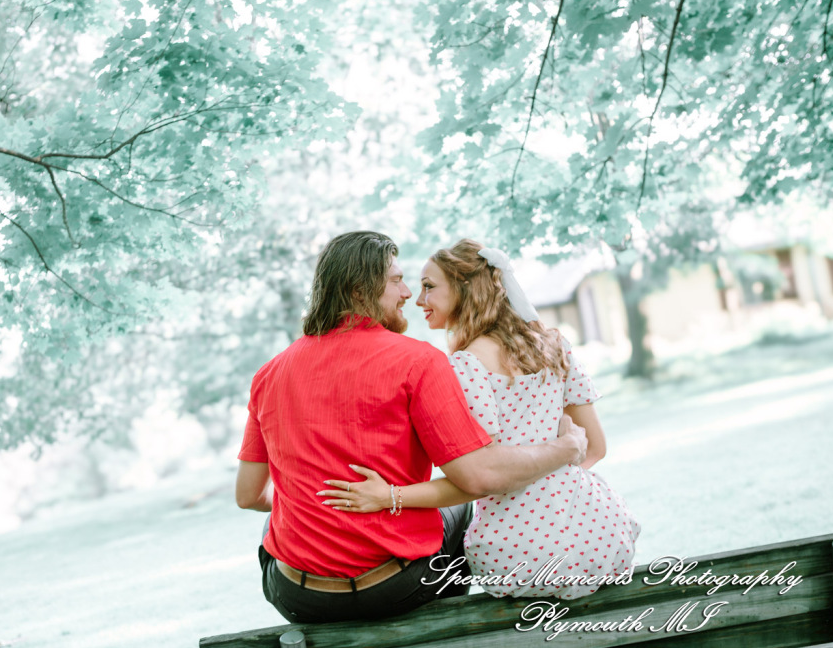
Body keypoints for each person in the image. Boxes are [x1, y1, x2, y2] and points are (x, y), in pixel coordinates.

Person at [235, 231, 588, 623]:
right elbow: (477, 477)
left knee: (276, 522)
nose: (407, 293)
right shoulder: (418, 361)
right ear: (359, 291)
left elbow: (248, 495)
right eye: (396, 281)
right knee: (461, 509)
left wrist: (317, 502)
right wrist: (565, 448)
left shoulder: (268, 374)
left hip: (300, 597)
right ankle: (445, 627)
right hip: (395, 587)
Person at [320, 239, 640, 600]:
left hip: (519, 548)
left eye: (429, 286)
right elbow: (594, 448)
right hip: (597, 532)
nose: (418, 299)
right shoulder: (554, 345)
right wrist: (558, 469)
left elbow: (482, 477)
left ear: (464, 287)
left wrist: (389, 496)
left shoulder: (465, 365)